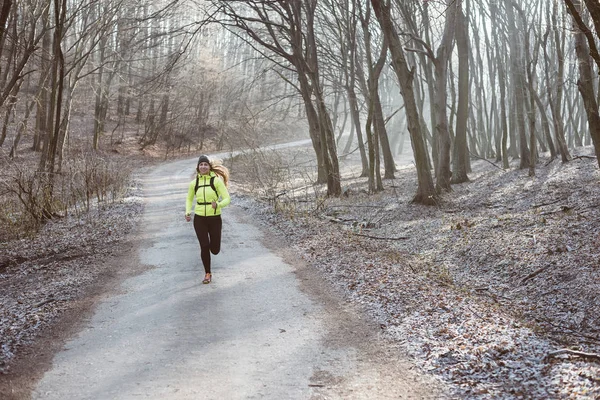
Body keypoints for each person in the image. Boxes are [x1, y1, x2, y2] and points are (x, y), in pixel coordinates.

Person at [185, 155, 230, 284]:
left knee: (214, 249)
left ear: (209, 167)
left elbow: (227, 198)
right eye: (201, 164)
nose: (203, 166)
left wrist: (219, 204)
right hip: (199, 218)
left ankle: (214, 247)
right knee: (204, 246)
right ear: (198, 167)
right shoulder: (194, 183)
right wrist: (188, 212)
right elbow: (189, 199)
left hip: (215, 218)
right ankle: (207, 273)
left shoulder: (216, 181)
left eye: (205, 164)